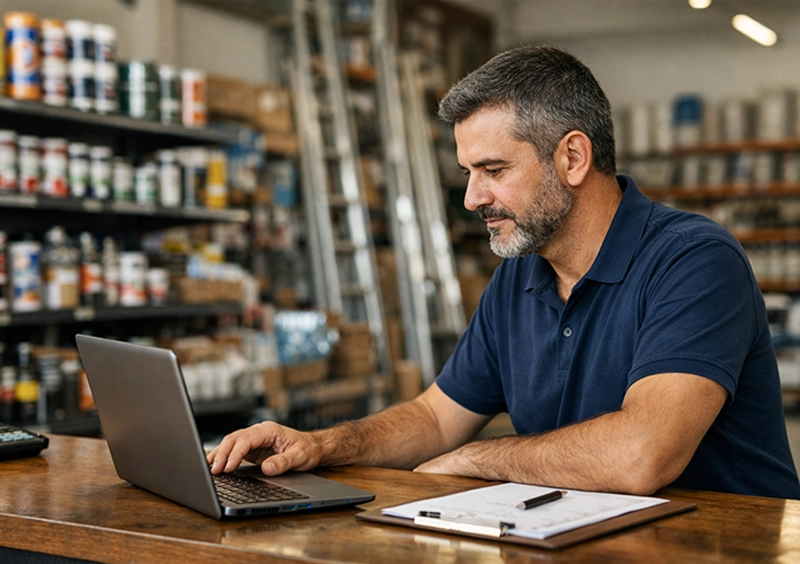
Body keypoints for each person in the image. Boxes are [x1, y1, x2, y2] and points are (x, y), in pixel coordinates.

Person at [209, 45, 800, 499]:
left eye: (492, 169)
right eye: (469, 172)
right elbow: (436, 418)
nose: (471, 198)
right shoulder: (520, 276)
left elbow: (642, 454)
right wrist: (319, 445)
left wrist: (479, 458)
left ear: (572, 157)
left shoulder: (693, 261)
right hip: (587, 557)